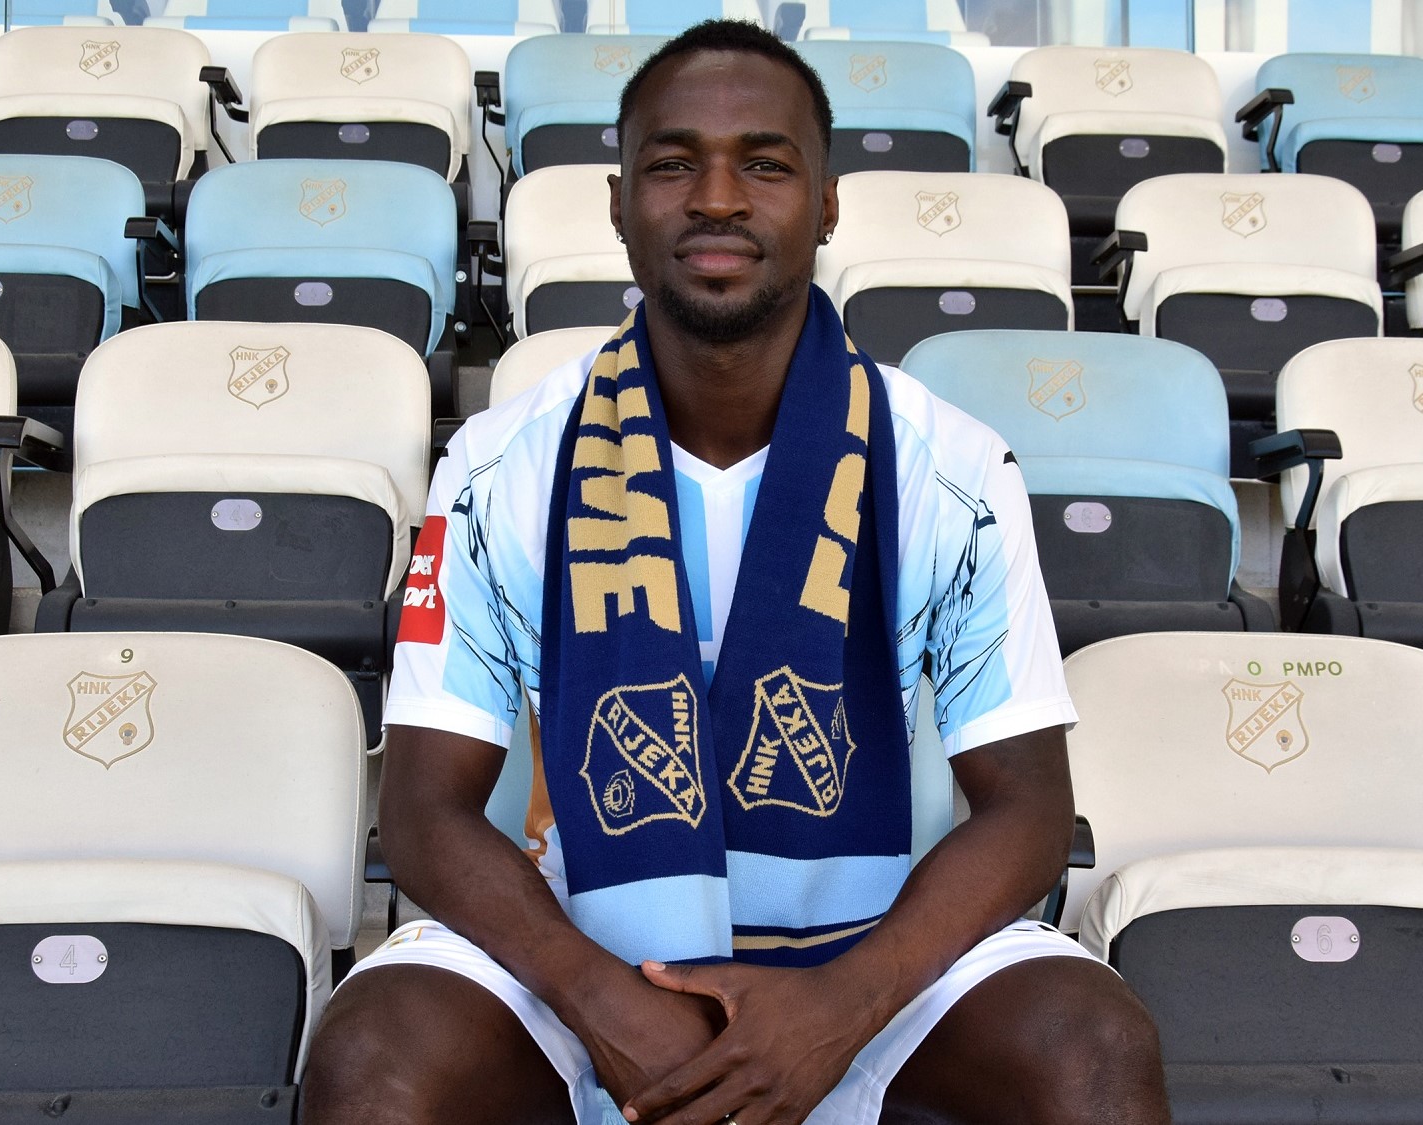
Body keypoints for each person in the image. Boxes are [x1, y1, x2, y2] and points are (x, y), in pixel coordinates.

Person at [303, 19, 1170, 1125]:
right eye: (673, 165)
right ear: (618, 204)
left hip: (873, 948)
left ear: (827, 202)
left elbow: (1029, 808)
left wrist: (843, 1002)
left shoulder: (951, 468)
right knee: (375, 1055)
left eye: (764, 164)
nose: (717, 198)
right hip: (585, 945)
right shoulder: (496, 464)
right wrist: (603, 1001)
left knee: (1092, 1046)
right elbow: (426, 808)